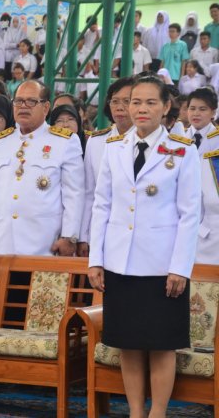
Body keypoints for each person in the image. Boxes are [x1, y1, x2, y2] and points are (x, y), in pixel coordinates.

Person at [88, 75, 201, 418]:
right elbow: (101, 206)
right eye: (134, 102)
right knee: (129, 345)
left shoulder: (182, 152)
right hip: (120, 264)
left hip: (162, 268)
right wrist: (96, 259)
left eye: (150, 102)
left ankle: (158, 413)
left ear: (167, 107)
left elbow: (189, 215)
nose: (140, 109)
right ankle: (136, 412)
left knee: (161, 346)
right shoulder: (114, 148)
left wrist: (180, 267)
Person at [0, 80, 84, 256]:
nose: (23, 106)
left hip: (44, 245)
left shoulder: (65, 141)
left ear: (46, 107)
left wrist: (69, 236)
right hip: (3, 244)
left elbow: (74, 194)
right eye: (18, 101)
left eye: (31, 101)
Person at [79, 77, 134, 258]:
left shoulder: (150, 144)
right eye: (114, 101)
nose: (119, 107)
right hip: (102, 230)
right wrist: (84, 236)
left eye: (126, 101)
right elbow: (88, 193)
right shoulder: (96, 141)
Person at [185, 87, 219, 152]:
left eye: (202, 109)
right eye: (192, 108)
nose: (196, 113)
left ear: (213, 113)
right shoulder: (179, 136)